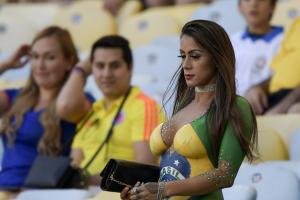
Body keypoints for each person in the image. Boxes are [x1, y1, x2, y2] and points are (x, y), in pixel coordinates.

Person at [120, 19, 258, 200]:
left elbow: (225, 174)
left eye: (195, 56)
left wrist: (164, 189)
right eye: (182, 56)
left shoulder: (235, 106)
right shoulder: (183, 104)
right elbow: (169, 174)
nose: (186, 64)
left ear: (217, 58)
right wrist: (141, 192)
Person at [56, 35, 164, 185]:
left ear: (129, 68)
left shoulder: (145, 106)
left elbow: (144, 172)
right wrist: (80, 70)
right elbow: (74, 165)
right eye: (100, 66)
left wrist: (90, 181)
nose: (106, 74)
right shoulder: (92, 110)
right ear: (91, 69)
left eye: (114, 65)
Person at [0, 26, 89, 197]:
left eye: (50, 57)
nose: (40, 65)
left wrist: (79, 72)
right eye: (35, 56)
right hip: (4, 189)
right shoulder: (14, 97)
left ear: (69, 61)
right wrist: (6, 65)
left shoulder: (78, 100)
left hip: (42, 193)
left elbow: (65, 106)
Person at [245, 16, 300, 115]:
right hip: (276, 96)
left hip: (294, 99)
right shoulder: (296, 24)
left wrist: (284, 105)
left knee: (296, 110)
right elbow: (277, 73)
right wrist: (258, 88)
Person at [231, 0, 283, 98]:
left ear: (273, 6)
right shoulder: (231, 41)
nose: (253, 3)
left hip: (269, 104)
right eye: (247, 0)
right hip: (231, 107)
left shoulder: (285, 40)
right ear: (239, 7)